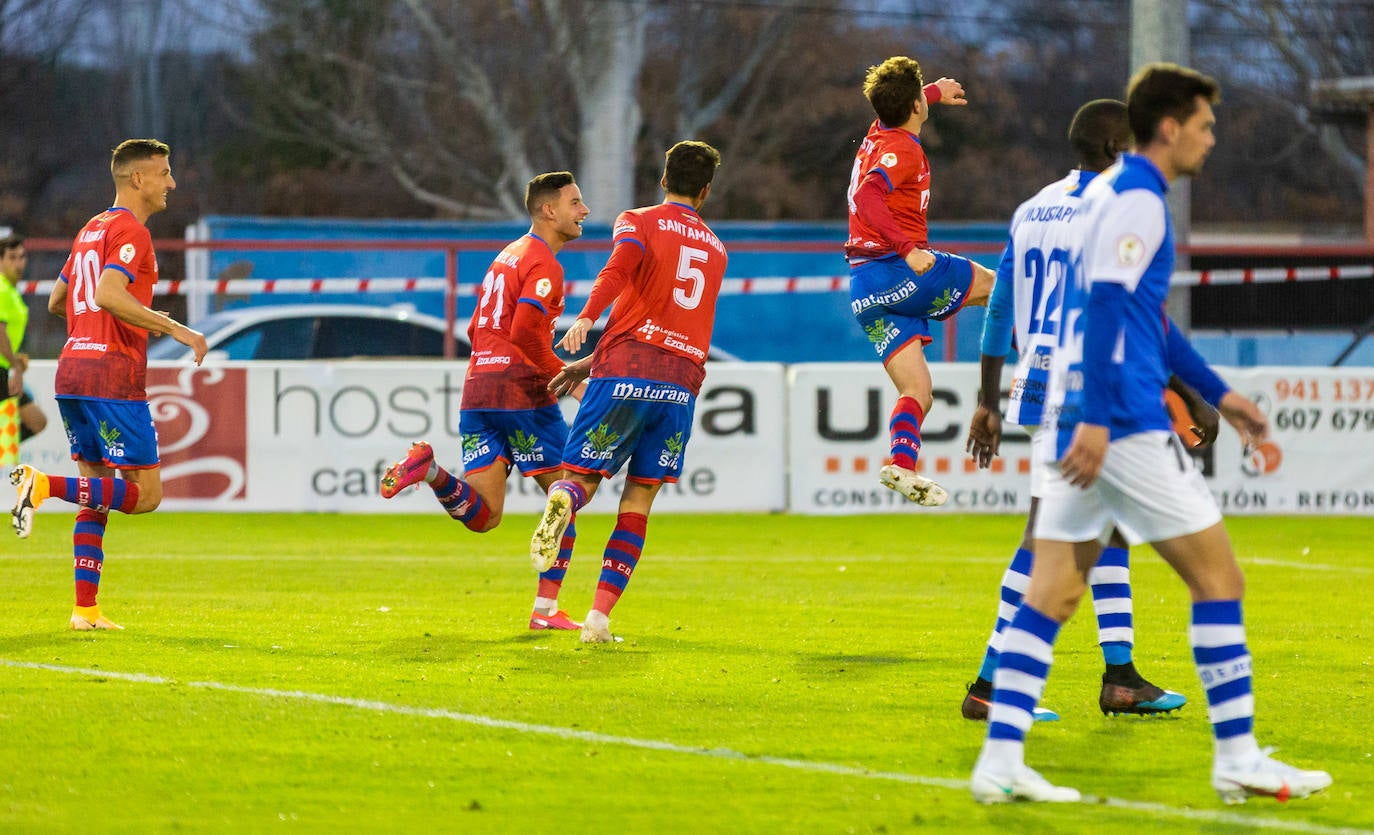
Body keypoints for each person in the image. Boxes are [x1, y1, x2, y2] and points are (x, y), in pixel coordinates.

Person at [969, 64, 1332, 804]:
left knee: (1052, 592)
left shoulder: (1095, 196)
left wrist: (1221, 393)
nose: (1211, 136)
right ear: (1168, 127)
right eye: (1205, 124)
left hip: (1065, 410)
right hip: (1121, 419)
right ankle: (1237, 756)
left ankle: (1000, 761)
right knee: (1218, 578)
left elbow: (1143, 318)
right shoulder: (1138, 199)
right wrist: (1104, 418)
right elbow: (1108, 309)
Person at [961, 100, 1218, 721]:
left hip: (1038, 385)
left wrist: (988, 401)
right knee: (1049, 533)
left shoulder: (1033, 210)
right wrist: (1192, 394)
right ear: (1113, 151)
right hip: (1088, 390)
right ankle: (990, 688)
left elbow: (999, 309)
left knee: (1107, 529)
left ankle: (1121, 676)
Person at [528, 140, 726, 644]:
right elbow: (672, 322)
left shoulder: (638, 220)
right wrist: (590, 361)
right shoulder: (716, 249)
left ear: (663, 180)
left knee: (582, 480)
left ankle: (566, 501)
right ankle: (598, 620)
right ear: (705, 191)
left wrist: (589, 319)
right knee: (639, 499)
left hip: (624, 371)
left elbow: (620, 271)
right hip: (679, 382)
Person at [10, 138, 208, 632]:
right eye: (164, 172)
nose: (172, 182)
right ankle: (41, 485)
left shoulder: (89, 229)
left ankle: (86, 610)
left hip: (72, 372)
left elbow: (61, 301)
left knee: (97, 493)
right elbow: (106, 293)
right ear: (138, 179)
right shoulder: (131, 232)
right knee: (145, 496)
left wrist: (95, 325)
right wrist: (175, 329)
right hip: (111, 377)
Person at [378, 171, 591, 631]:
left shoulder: (505, 257)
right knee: (568, 492)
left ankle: (429, 470)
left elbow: (477, 330)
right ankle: (545, 612)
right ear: (549, 210)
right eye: (575, 203)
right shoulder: (544, 264)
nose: (584, 211)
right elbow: (523, 331)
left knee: (486, 516)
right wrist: (568, 379)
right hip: (522, 392)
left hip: (478, 389)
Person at [845, 55, 996, 507]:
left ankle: (901, 465)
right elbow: (868, 195)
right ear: (913, 107)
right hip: (899, 270)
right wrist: (907, 248)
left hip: (865, 291)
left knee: (918, 393)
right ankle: (1045, 376)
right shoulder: (904, 150)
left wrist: (931, 92)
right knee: (1001, 287)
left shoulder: (877, 134)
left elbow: (892, 107)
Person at [0, 238, 49, 445]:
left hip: (3, 369)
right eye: (12, 257)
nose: (18, 263)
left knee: (35, 422)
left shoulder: (11, 292)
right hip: (3, 369)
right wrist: (16, 366)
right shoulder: (2, 290)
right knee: (36, 421)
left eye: (22, 257)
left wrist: (14, 359)